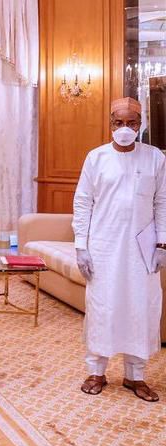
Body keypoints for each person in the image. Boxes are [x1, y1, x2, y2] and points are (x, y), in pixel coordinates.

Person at [74, 96, 166, 402]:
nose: (125, 128)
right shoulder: (96, 158)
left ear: (140, 125)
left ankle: (135, 376)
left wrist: (162, 243)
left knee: (141, 308)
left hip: (142, 249)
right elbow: (83, 203)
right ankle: (96, 371)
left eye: (131, 123)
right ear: (110, 123)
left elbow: (161, 202)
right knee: (103, 307)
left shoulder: (155, 158)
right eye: (119, 122)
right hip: (103, 245)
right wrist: (81, 246)